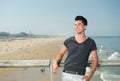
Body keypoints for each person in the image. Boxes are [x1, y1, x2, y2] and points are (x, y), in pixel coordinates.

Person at [52, 15, 98, 81]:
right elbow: (60, 54)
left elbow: (95, 60)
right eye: (75, 25)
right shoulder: (69, 40)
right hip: (66, 75)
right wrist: (55, 62)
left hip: (79, 77)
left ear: (85, 27)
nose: (76, 27)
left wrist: (89, 76)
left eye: (79, 24)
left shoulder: (91, 42)